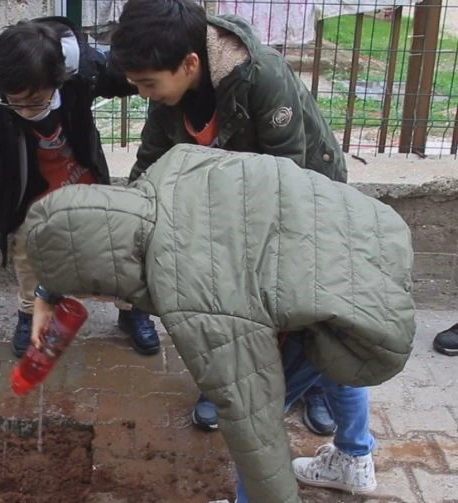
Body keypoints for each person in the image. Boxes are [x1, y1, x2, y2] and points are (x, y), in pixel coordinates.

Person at [23, 145, 415, 502]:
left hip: (347, 291)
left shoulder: (192, 293)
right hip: (362, 235)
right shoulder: (172, 166)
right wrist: (46, 295)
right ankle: (354, 457)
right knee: (330, 338)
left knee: (255, 416)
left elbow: (252, 419)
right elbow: (81, 232)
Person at [108, 0, 348, 435]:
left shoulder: (261, 76)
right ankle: (227, 383)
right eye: (136, 84)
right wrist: (128, 231)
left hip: (305, 193)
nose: (143, 94)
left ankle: (312, 384)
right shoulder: (167, 93)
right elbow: (150, 162)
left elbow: (287, 180)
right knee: (217, 292)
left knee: (296, 298)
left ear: (190, 63)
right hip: (226, 202)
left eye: (148, 84)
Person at [0, 17, 160, 358]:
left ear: (58, 81)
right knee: (27, 249)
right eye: (16, 103)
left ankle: (132, 310)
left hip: (80, 177)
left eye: (36, 101)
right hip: (29, 190)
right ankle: (29, 313)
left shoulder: (82, 71)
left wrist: (154, 78)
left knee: (117, 245)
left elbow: (127, 74)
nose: (25, 111)